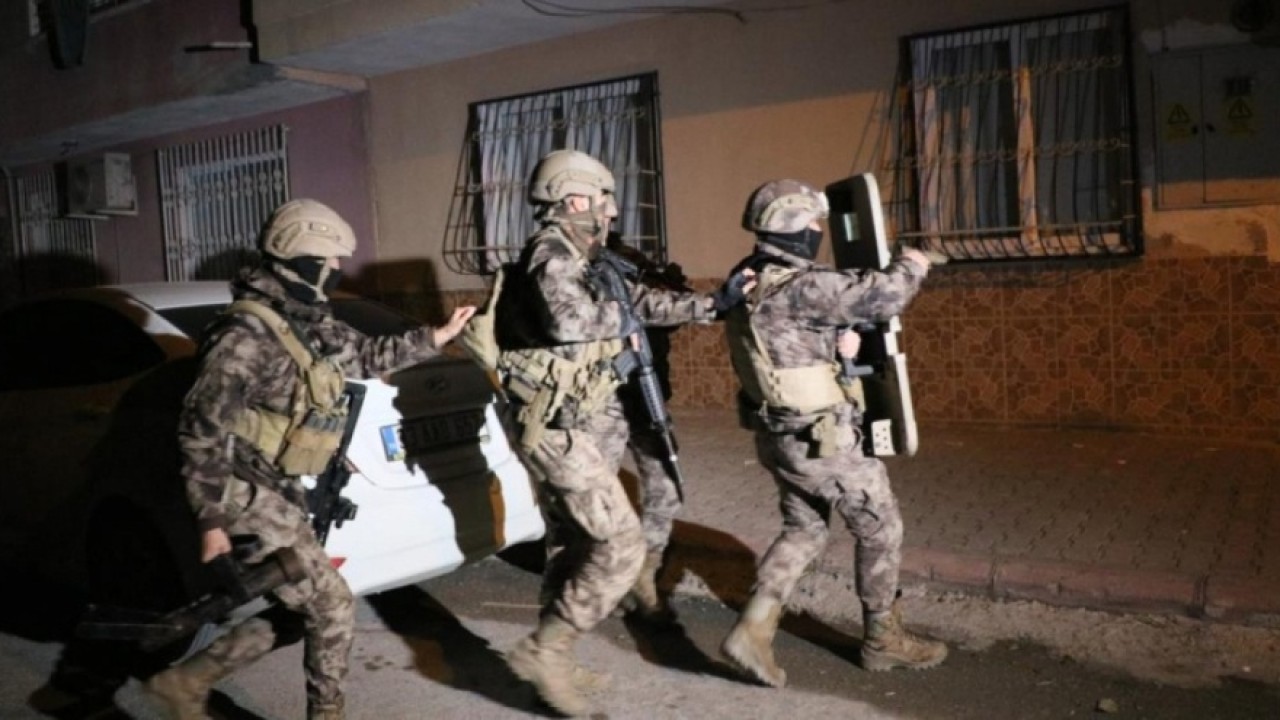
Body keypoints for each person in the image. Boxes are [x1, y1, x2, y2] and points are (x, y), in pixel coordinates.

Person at [145, 198, 476, 720]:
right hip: (247, 491)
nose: (338, 270)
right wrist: (211, 520)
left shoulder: (303, 320)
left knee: (303, 605)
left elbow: (364, 356)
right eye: (330, 261)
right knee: (332, 603)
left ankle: (187, 680)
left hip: (285, 489)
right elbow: (201, 431)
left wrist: (436, 336)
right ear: (302, 259)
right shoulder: (243, 339)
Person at [496, 149, 750, 716]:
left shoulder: (589, 257)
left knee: (571, 542)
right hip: (557, 428)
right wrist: (627, 319)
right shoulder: (552, 253)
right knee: (621, 542)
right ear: (573, 198)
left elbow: (640, 302)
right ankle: (545, 651)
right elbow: (569, 321)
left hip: (574, 420)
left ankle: (555, 659)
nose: (611, 211)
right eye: (603, 199)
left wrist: (715, 303)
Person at [718, 179, 946, 689]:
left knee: (805, 528)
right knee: (880, 523)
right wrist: (912, 263)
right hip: (820, 438)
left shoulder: (748, 278)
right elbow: (886, 298)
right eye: (812, 221)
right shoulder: (805, 285)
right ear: (793, 225)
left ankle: (753, 630)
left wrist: (836, 348)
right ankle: (883, 639)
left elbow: (782, 344)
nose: (820, 229)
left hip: (777, 432)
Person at [603, 233, 690, 622]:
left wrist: (669, 292)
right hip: (604, 405)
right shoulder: (588, 272)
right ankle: (592, 581)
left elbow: (665, 324)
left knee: (665, 487)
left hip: (647, 400)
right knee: (596, 497)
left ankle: (644, 576)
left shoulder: (634, 265)